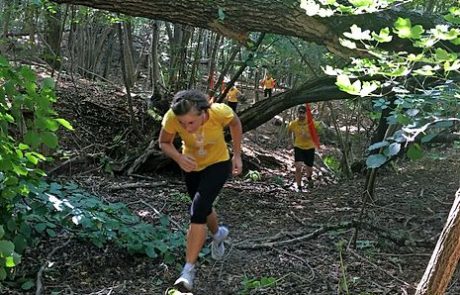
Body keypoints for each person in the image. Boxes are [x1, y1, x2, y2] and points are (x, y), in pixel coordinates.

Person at [159, 89, 243, 292]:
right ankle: (218, 234)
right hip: (191, 166)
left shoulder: (219, 112)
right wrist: (179, 158)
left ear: (203, 113)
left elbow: (235, 123)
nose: (186, 128)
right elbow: (164, 142)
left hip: (218, 164)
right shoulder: (172, 116)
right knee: (204, 209)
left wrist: (237, 155)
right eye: (182, 123)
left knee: (197, 210)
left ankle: (188, 271)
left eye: (191, 123)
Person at [288, 105, 315, 192]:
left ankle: (309, 178)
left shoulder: (311, 123)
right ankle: (299, 187)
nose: (301, 115)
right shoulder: (293, 124)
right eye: (300, 112)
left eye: (303, 113)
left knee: (309, 169)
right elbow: (289, 132)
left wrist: (308, 136)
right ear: (297, 113)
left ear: (306, 114)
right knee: (298, 167)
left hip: (310, 147)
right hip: (298, 147)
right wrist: (290, 142)